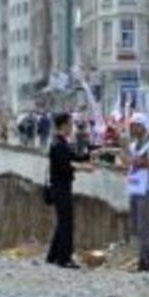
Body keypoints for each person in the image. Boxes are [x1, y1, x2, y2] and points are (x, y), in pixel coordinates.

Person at [121, 114, 149, 272]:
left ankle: (144, 261)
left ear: (142, 126)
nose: (131, 128)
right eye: (131, 125)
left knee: (143, 226)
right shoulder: (134, 145)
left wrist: (144, 163)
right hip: (134, 188)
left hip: (146, 189)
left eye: (134, 125)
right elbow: (132, 165)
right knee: (136, 226)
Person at [46, 113, 90, 269]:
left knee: (62, 222)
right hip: (60, 187)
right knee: (66, 224)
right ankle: (64, 258)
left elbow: (74, 157)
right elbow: (65, 166)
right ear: (64, 125)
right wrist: (84, 169)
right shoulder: (57, 144)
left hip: (61, 187)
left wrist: (91, 155)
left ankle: (52, 256)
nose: (72, 127)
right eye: (70, 124)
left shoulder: (61, 142)